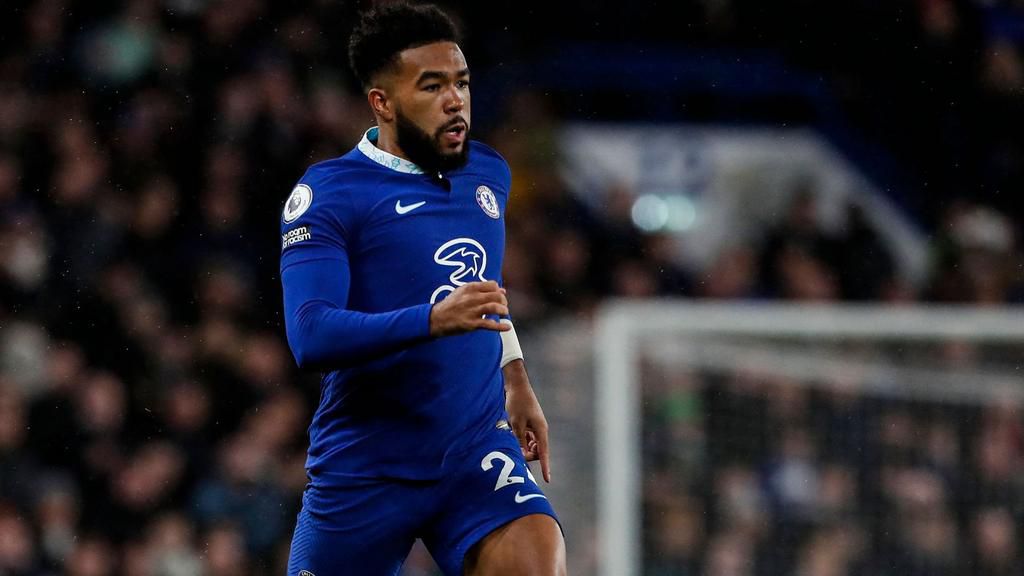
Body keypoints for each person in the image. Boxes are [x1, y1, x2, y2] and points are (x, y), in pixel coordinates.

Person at [278, 3, 565, 575]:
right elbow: (310, 334)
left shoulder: (488, 175)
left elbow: (482, 289)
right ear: (381, 102)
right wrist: (432, 319)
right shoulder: (331, 193)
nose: (455, 99)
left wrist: (516, 378)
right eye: (431, 86)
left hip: (474, 448)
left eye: (460, 82)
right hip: (368, 465)